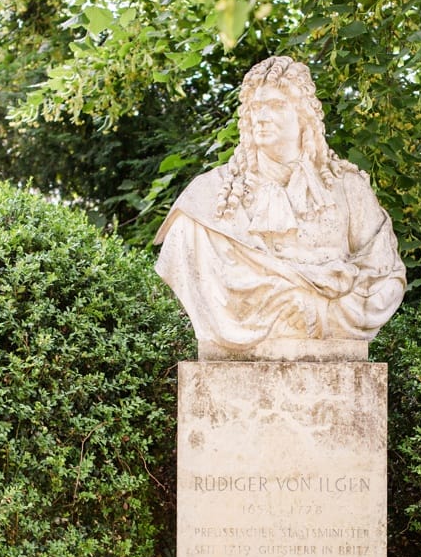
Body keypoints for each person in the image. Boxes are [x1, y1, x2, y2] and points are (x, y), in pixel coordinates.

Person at [154, 57, 407, 356]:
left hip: (336, 343)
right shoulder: (206, 202)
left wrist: (317, 311)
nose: (261, 117)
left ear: (303, 117)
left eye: (275, 106)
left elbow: (385, 278)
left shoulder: (348, 189)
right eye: (255, 107)